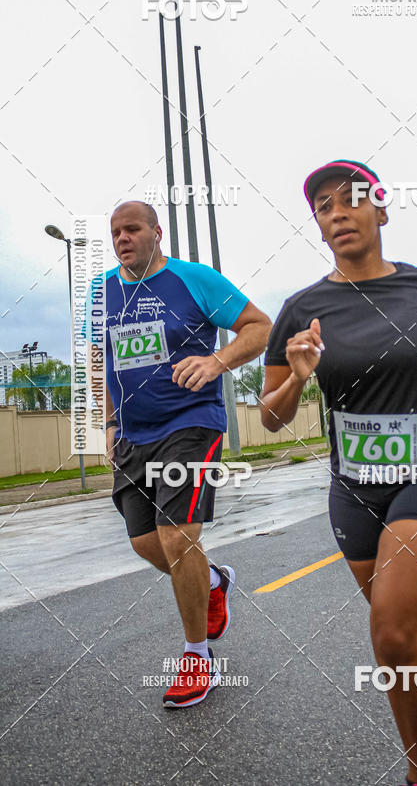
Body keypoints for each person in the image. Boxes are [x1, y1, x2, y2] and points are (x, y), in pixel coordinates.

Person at [260, 160, 417, 786]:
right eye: (323, 207)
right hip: (355, 489)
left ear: (381, 210)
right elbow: (272, 417)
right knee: (407, 627)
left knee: (390, 631)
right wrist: (300, 375)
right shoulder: (302, 309)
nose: (337, 213)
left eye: (351, 200)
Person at [102, 201, 271, 707]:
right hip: (134, 432)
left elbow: (258, 327)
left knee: (178, 537)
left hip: (191, 423)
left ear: (157, 232)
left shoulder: (194, 279)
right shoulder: (102, 292)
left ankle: (197, 656)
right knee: (146, 544)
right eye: (115, 232)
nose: (122, 239)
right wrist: (110, 422)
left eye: (132, 229)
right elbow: (104, 359)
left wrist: (217, 360)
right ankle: (215, 580)